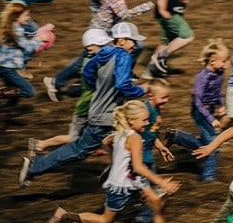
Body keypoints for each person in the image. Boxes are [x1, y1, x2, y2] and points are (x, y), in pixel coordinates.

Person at [44, 100, 181, 223]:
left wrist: (114, 163)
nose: (148, 122)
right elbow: (138, 167)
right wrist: (161, 182)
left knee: (158, 203)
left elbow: (106, 142)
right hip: (122, 185)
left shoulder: (121, 132)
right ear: (131, 121)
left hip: (133, 180)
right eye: (144, 120)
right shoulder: (135, 139)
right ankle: (64, 216)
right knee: (106, 220)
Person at [18, 22, 147, 187]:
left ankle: (119, 173)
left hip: (102, 113)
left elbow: (88, 73)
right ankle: (34, 167)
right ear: (121, 40)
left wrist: (99, 88)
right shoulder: (123, 56)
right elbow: (123, 85)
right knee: (79, 149)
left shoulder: (103, 53)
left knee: (129, 139)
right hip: (105, 117)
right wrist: (141, 90)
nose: (134, 45)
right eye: (132, 41)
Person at [44, 0, 153, 99]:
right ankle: (56, 82)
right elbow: (123, 14)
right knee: (87, 60)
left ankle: (57, 82)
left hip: (102, 30)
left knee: (91, 58)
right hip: (100, 33)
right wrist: (146, 7)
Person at [28, 29, 112, 156]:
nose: (106, 48)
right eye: (103, 45)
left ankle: (93, 146)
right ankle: (40, 144)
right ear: (91, 46)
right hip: (85, 108)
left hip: (90, 106)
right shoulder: (92, 64)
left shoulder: (91, 60)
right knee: (72, 137)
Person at [163, 38, 231, 182]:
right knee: (214, 144)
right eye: (224, 61)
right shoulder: (202, 78)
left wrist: (221, 105)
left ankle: (177, 136)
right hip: (200, 112)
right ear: (213, 61)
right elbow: (198, 101)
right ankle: (209, 177)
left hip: (210, 111)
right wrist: (211, 119)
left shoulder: (219, 74)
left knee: (207, 144)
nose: (226, 64)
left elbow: (218, 92)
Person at [132, 78, 175, 223]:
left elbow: (152, 134)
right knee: (149, 187)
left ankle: (145, 212)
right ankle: (144, 216)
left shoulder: (155, 110)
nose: (166, 100)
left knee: (150, 186)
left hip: (148, 156)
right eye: (163, 97)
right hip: (141, 157)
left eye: (167, 97)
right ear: (151, 96)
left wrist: (161, 146)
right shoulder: (144, 111)